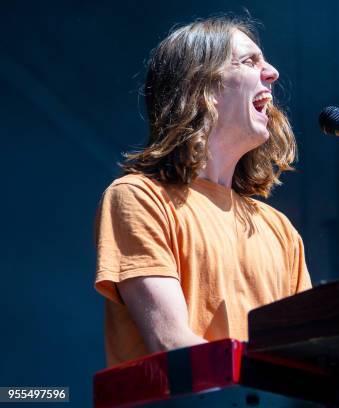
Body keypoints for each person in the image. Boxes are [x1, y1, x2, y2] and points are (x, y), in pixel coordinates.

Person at [94, 17, 311, 367]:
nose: (272, 72)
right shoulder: (138, 198)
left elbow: (309, 348)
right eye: (249, 61)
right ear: (202, 87)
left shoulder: (281, 230)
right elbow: (171, 342)